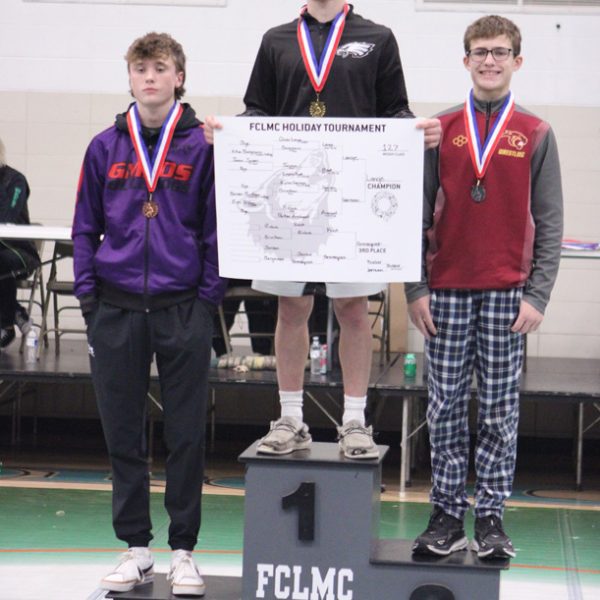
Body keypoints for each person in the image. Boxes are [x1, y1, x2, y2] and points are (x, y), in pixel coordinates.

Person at [204, 0, 441, 460]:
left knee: (352, 309)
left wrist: (416, 132)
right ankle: (291, 417)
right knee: (292, 307)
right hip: (294, 194)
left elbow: (395, 110)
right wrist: (229, 132)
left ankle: (354, 418)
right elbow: (258, 110)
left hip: (352, 194)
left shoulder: (377, 37)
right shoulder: (276, 39)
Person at [72, 32, 226, 596]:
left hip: (183, 306)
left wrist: (207, 299)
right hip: (114, 309)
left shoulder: (203, 147)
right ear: (130, 78)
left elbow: (217, 231)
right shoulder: (103, 147)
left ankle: (183, 550)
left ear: (179, 77)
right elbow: (85, 228)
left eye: (161, 67)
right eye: (141, 69)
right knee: (123, 434)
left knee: (186, 434)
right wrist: (89, 300)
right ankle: (136, 548)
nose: (151, 77)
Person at [405, 15, 563, 560]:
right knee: (444, 406)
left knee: (499, 410)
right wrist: (414, 288)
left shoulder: (537, 132)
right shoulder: (438, 130)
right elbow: (414, 215)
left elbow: (550, 219)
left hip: (506, 294)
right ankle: (447, 515)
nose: (489, 61)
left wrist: (538, 293)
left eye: (500, 52)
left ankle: (491, 517)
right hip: (444, 290)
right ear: (465, 59)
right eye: (480, 52)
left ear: (517, 61)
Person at [0, 137, 39, 349]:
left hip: (20, 253)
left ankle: (6, 322)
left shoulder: (15, 180)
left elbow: (7, 216)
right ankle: (15, 311)